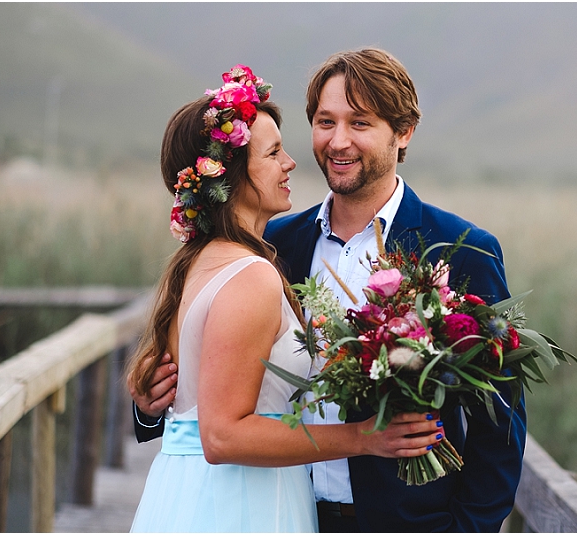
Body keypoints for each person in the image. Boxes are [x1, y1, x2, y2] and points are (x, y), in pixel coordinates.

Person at [131, 49, 527, 532]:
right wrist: (151, 404)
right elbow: (212, 390)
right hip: (278, 508)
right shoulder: (271, 246)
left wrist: (467, 528)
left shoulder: (460, 251)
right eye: (325, 121)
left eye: (359, 123)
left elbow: (499, 420)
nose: (338, 141)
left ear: (403, 133)